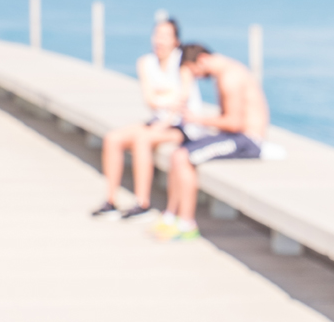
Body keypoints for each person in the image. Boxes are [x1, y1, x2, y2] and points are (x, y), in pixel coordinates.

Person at [154, 43, 269, 242]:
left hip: (247, 141)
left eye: (194, 71)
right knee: (178, 152)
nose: (197, 77)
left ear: (202, 59)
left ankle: (187, 223)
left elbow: (234, 123)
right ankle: (171, 215)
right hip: (236, 137)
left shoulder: (229, 78)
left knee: (183, 157)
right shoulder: (226, 72)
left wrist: (197, 119)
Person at [91, 18, 201, 220]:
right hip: (157, 121)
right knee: (113, 138)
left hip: (182, 125)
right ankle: (110, 200)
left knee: (142, 140)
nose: (160, 40)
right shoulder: (146, 62)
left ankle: (142, 202)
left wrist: (164, 115)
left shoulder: (183, 62)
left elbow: (182, 100)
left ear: (176, 40)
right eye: (157, 35)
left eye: (166, 36)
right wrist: (167, 104)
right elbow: (150, 100)